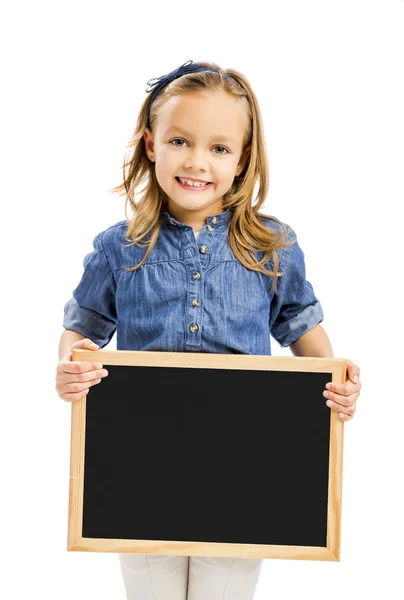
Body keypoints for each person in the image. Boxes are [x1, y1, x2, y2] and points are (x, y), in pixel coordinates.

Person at [56, 59, 362, 600]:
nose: (197, 162)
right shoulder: (118, 247)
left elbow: (303, 333)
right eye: (180, 140)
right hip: (141, 470)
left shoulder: (272, 246)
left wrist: (337, 383)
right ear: (151, 144)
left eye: (219, 148)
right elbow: (83, 331)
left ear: (243, 160)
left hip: (244, 471)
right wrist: (71, 368)